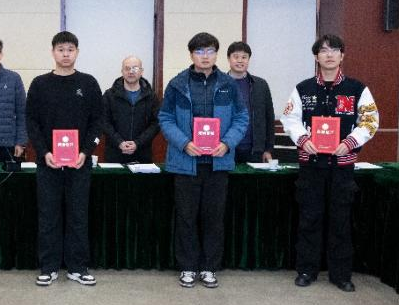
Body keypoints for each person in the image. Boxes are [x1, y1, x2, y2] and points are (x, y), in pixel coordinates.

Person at [280, 34, 378, 293]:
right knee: (309, 218)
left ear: (342, 55)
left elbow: (370, 121)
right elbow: (289, 118)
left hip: (342, 166)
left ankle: (341, 274)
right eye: (323, 50)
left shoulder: (357, 89)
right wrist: (302, 139)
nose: (329, 54)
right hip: (311, 165)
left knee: (340, 220)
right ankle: (306, 270)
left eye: (334, 50)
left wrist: (351, 142)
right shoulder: (303, 89)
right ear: (316, 57)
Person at [158, 32, 248, 289]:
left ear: (217, 55)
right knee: (186, 217)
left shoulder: (228, 84)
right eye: (199, 51)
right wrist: (184, 143)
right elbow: (165, 118)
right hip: (186, 163)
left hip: (218, 163)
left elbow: (241, 117)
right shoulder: (177, 84)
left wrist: (227, 143)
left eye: (209, 51)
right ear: (191, 55)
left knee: (213, 218)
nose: (205, 56)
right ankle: (187, 266)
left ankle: (209, 267)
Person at [26, 31, 103, 287]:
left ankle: (78, 267)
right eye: (61, 50)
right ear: (53, 52)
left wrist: (85, 152)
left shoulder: (88, 83)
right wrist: (44, 152)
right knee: (48, 216)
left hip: (79, 163)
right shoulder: (39, 84)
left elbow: (97, 122)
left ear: (77, 52)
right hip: (48, 163)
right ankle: (48, 267)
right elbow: (31, 122)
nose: (66, 54)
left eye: (70, 50)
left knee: (78, 216)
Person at [102, 55, 160, 164]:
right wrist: (119, 142)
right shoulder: (109, 95)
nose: (131, 71)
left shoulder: (151, 97)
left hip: (142, 155)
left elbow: (156, 124)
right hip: (114, 155)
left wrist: (138, 143)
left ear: (141, 71)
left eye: (135, 68)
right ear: (122, 71)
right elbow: (104, 121)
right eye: (127, 68)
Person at [226, 42, 275, 163]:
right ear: (228, 59)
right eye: (236, 57)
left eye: (244, 57)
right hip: (225, 149)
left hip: (254, 150)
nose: (240, 60)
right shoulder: (219, 84)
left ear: (248, 59)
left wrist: (268, 149)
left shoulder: (260, 85)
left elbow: (269, 118)